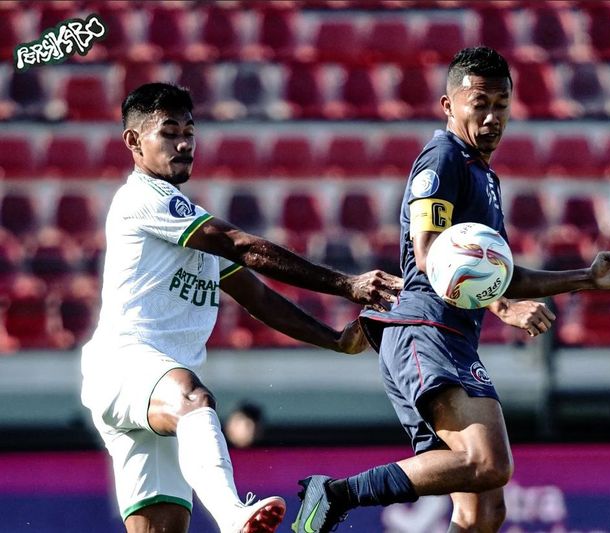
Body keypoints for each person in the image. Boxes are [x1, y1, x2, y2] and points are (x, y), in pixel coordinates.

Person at [292, 46, 610, 533]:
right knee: (489, 463)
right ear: (448, 105)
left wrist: (586, 277)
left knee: (481, 512)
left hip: (443, 335)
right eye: (480, 103)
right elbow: (433, 247)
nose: (492, 115)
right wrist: (503, 306)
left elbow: (497, 270)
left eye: (502, 103)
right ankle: (335, 493)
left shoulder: (482, 173)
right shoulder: (443, 157)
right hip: (425, 330)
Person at [80, 82, 403, 533]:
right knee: (195, 399)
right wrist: (346, 285)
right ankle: (234, 516)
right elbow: (240, 245)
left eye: (189, 131)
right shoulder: (143, 199)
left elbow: (259, 298)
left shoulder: (186, 222)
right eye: (169, 131)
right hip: (126, 365)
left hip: (155, 395)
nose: (184, 142)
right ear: (134, 142)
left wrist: (334, 341)